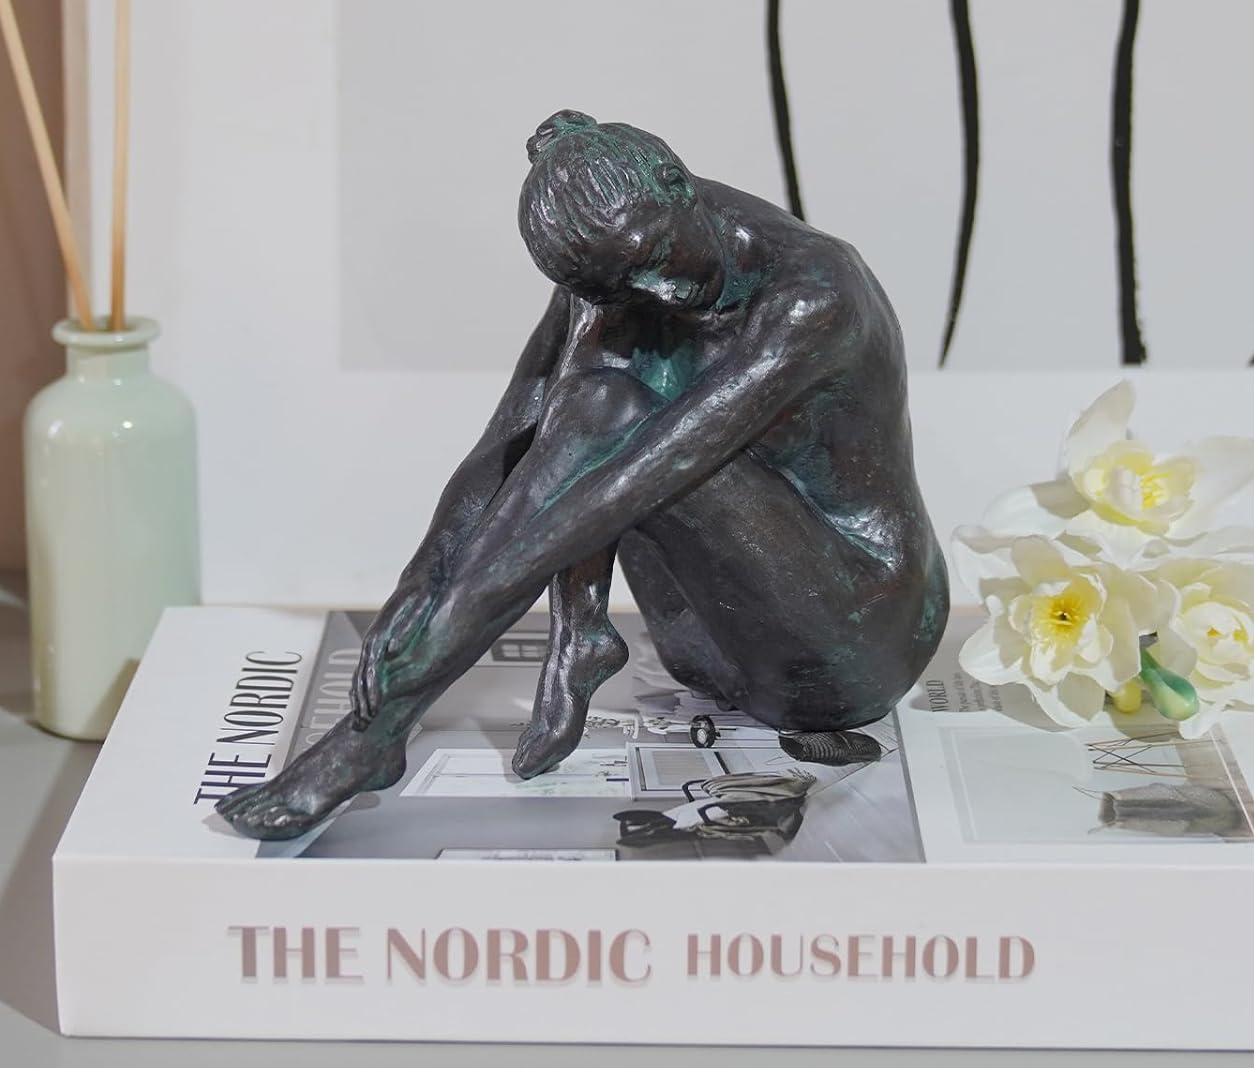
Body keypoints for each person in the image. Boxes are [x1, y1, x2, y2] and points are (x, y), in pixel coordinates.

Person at [220, 111, 947, 839]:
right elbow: (506, 444)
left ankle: (372, 737)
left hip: (851, 639)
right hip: (706, 642)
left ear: (677, 184)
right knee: (592, 396)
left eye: (657, 259)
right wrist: (419, 584)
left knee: (609, 412)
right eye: (624, 285)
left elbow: (632, 479)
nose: (659, 293)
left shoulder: (814, 296)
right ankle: (568, 636)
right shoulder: (613, 265)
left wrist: (438, 635)